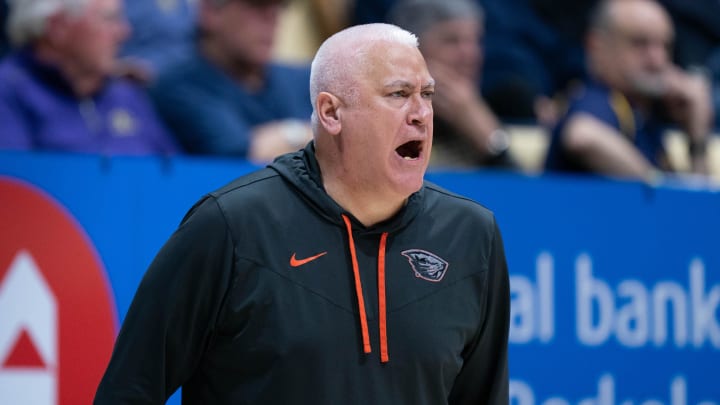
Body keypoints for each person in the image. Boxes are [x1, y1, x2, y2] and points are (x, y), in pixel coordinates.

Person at [94, 23, 510, 404]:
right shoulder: (230, 226)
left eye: (428, 95)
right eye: (398, 94)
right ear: (331, 113)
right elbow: (129, 390)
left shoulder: (472, 235)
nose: (421, 114)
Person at [544, 0, 713, 181]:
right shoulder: (598, 98)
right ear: (596, 46)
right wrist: (659, 187)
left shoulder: (643, 118)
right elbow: (581, 136)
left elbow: (693, 208)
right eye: (640, 43)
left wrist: (697, 138)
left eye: (665, 46)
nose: (657, 61)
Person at [0, 0, 178, 155]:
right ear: (58, 27)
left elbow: (178, 177)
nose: (124, 32)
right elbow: (14, 184)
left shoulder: (126, 94)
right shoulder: (9, 92)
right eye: (110, 18)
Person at [149, 0, 313, 162]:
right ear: (210, 12)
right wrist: (308, 133)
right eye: (257, 6)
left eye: (278, 7)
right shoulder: (179, 85)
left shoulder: (304, 79)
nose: (272, 18)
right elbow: (244, 154)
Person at [388, 0, 516, 169]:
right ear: (411, 52)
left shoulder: (502, 103)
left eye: (475, 41)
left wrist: (488, 136)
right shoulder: (385, 114)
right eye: (452, 41)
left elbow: (520, 193)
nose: (470, 55)